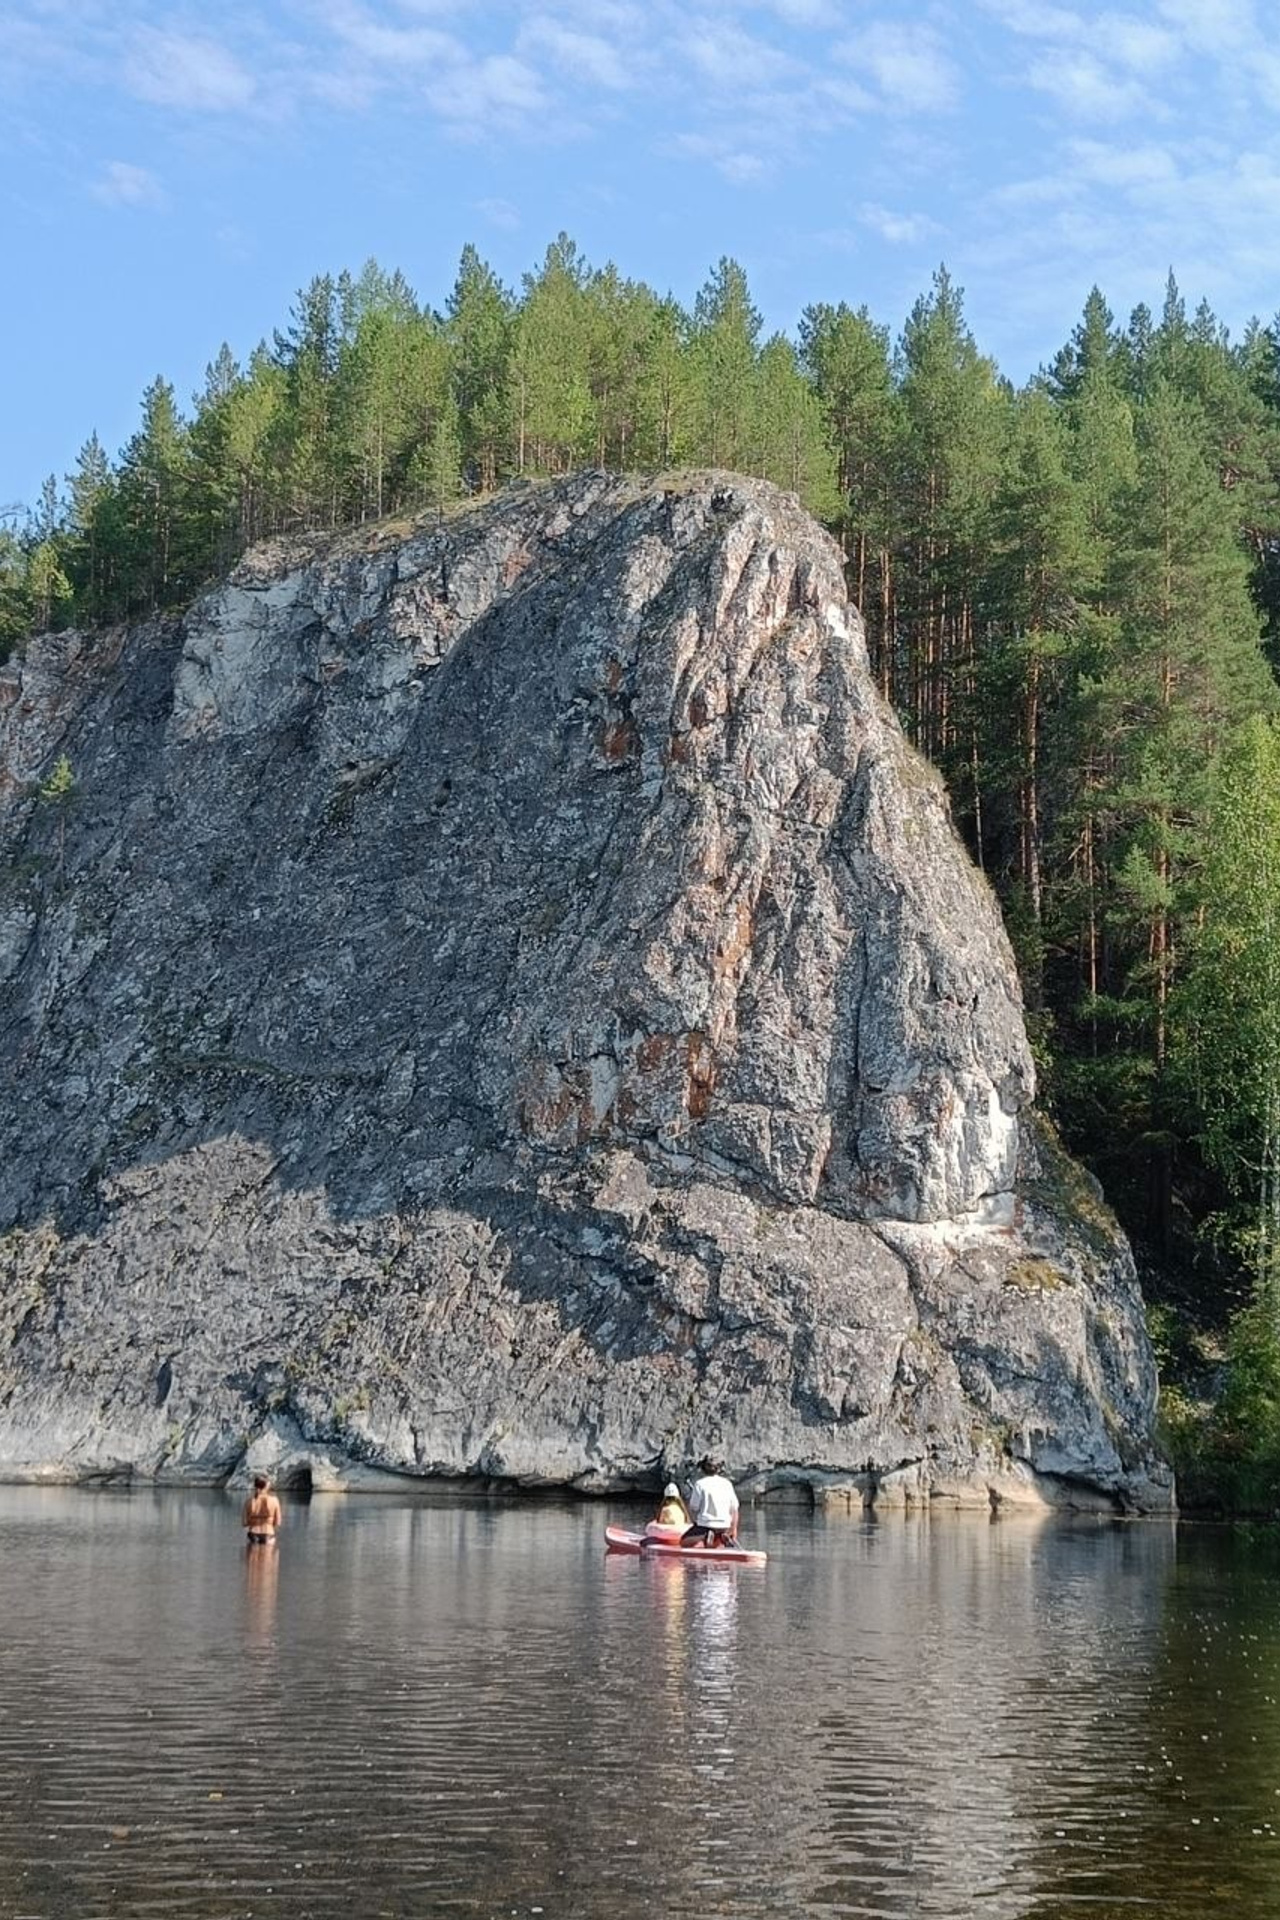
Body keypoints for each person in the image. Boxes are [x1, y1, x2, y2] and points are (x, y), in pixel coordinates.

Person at [682, 1456, 739, 1548]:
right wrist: (733, 1529)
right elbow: (735, 1509)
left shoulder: (700, 1484)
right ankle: (719, 1537)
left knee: (684, 1542)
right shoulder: (727, 1484)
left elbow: (693, 1507)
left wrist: (694, 1521)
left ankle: (705, 1536)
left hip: (705, 1525)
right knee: (718, 1540)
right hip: (724, 1526)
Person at [242, 1473, 283, 1547]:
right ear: (266, 1486)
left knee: (252, 1558)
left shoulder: (248, 1501)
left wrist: (254, 1520)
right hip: (269, 1534)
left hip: (252, 1534)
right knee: (268, 1558)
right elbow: (278, 1522)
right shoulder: (274, 1500)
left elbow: (244, 1523)